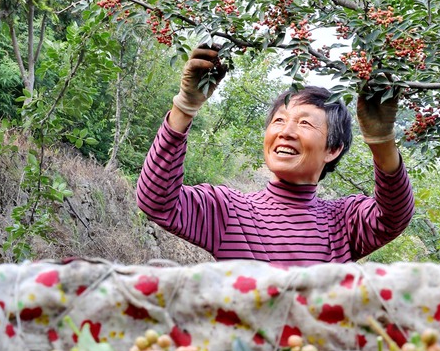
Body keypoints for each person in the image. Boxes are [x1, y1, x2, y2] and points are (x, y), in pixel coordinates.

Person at [136, 46, 414, 266]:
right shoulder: (228, 211)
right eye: (279, 121)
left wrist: (381, 142)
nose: (286, 132)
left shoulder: (343, 222)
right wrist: (184, 107)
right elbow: (156, 201)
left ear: (332, 149)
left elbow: (393, 216)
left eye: (305, 123)